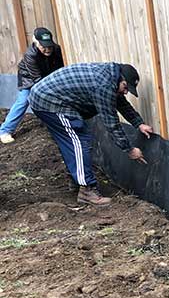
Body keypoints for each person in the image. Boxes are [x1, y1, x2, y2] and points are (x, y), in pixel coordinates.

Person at [29, 62, 155, 206]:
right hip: (49, 102)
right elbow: (111, 123)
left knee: (72, 141)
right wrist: (129, 149)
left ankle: (78, 180)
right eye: (126, 88)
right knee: (78, 140)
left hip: (48, 97)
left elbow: (121, 103)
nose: (126, 92)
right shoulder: (103, 86)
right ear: (121, 78)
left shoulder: (111, 77)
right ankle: (87, 190)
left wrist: (139, 123)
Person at [0, 27, 64, 144]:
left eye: (49, 45)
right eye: (43, 46)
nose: (47, 49)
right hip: (29, 78)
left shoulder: (56, 49)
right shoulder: (30, 55)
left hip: (48, 75)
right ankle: (5, 130)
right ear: (36, 43)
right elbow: (37, 79)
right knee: (24, 100)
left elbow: (60, 68)